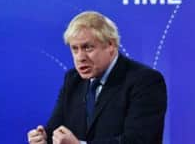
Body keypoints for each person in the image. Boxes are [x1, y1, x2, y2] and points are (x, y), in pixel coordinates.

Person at [27, 11, 166, 144]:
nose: (80, 57)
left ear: (110, 45)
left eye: (88, 48)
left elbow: (138, 141)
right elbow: (56, 132)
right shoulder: (73, 79)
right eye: (75, 49)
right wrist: (44, 138)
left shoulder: (145, 81)